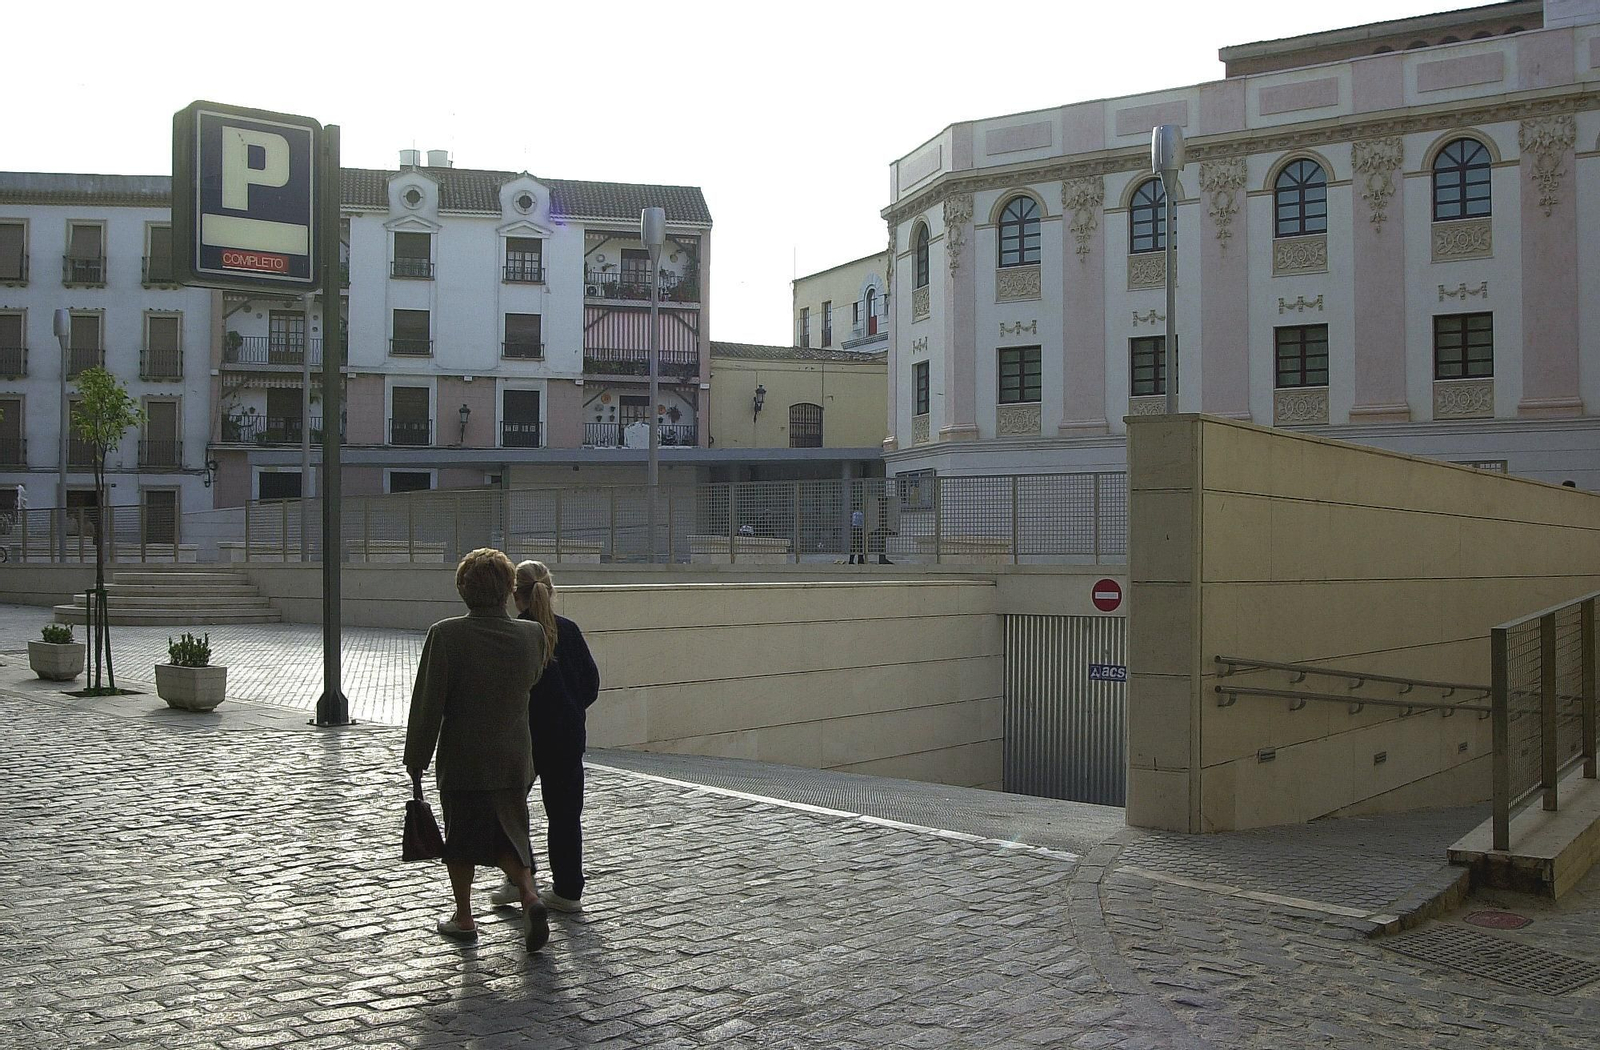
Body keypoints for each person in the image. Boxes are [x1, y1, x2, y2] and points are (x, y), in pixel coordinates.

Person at [404, 548, 550, 951]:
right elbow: (533, 680)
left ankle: (464, 916)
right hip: (514, 757)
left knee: (462, 837)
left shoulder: (446, 634)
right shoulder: (531, 635)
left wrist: (416, 760)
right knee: (511, 833)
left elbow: (428, 705)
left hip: (464, 757)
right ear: (507, 589)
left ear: (464, 589)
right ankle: (529, 894)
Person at [490, 561, 601, 913]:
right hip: (566, 736)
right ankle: (568, 890)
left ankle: (518, 879)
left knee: (511, 809)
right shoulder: (569, 629)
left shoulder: (513, 633)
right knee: (565, 815)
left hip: (524, 736)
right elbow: (590, 685)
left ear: (514, 594)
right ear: (550, 590)